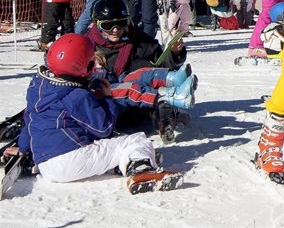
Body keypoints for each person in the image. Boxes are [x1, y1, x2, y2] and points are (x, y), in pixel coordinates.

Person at [15, 34, 177, 188]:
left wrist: (22, 148)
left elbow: (30, 119)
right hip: (71, 161)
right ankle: (142, 170)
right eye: (91, 63)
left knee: (107, 144)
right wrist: (107, 98)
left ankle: (121, 164)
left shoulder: (38, 88)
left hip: (46, 165)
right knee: (137, 140)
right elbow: (103, 128)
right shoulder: (77, 95)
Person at [86, 0, 190, 138]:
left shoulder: (138, 40)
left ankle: (163, 113)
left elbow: (159, 63)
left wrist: (174, 53)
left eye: (121, 24)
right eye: (108, 25)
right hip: (105, 101)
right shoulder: (87, 44)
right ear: (97, 25)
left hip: (135, 100)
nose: (115, 30)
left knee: (140, 68)